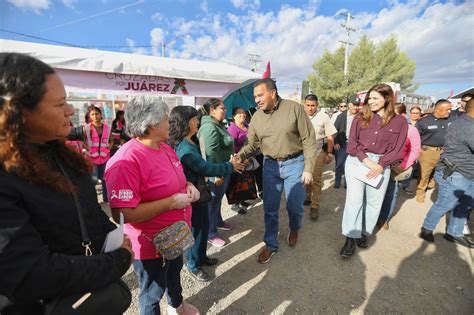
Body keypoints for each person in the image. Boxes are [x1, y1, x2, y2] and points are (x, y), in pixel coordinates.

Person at [0, 53, 133, 314]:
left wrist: (113, 235)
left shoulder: (58, 153)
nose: (71, 110)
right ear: (17, 113)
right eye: (60, 104)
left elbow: (87, 212)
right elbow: (30, 273)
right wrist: (117, 261)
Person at [105, 95, 200, 315]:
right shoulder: (125, 162)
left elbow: (175, 177)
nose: (170, 122)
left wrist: (187, 185)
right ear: (151, 124)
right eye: (166, 118)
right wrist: (171, 203)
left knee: (174, 274)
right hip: (151, 246)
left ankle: (176, 306)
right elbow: (123, 213)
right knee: (151, 293)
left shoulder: (164, 147)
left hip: (175, 236)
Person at [237, 78, 317, 264]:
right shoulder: (256, 117)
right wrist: (240, 156)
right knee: (270, 209)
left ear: (272, 93)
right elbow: (252, 145)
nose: (256, 99)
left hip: (295, 163)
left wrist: (308, 168)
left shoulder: (294, 109)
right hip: (270, 166)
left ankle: (294, 228)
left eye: (260, 95)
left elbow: (309, 139)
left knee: (294, 206)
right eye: (255, 96)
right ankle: (271, 244)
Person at [168, 106, 244, 282]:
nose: (197, 122)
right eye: (194, 120)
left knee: (203, 228)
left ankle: (201, 257)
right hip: (193, 195)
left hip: (199, 192)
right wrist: (229, 166)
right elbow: (205, 167)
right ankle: (193, 265)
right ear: (185, 123)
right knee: (195, 231)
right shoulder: (185, 148)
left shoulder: (190, 140)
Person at [340, 83, 408, 258]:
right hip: (357, 161)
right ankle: (350, 238)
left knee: (374, 203)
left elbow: (398, 149)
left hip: (381, 165)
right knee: (354, 202)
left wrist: (381, 164)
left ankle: (364, 232)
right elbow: (352, 143)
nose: (371, 101)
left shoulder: (400, 121)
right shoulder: (360, 117)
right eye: (369, 98)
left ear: (387, 99)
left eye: (375, 98)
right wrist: (367, 160)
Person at [419, 98, 474, 248]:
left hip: (469, 173)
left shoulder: (461, 122)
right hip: (457, 173)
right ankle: (427, 228)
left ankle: (454, 232)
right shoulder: (467, 126)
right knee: (444, 203)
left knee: (465, 204)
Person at [197, 98, 235, 247]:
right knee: (211, 203)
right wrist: (216, 174)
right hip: (217, 171)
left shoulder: (217, 124)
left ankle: (217, 222)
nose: (225, 111)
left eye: (225, 108)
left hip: (224, 169)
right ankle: (210, 233)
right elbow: (210, 153)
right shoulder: (209, 127)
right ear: (212, 110)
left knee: (217, 200)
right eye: (222, 108)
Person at [377, 103, 421, 229]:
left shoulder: (411, 130)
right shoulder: (382, 126)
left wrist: (404, 165)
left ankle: (384, 218)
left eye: (394, 115)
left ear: (403, 115)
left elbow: (415, 150)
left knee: (391, 193)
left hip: (397, 167)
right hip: (379, 165)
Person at [303, 94, 337, 221]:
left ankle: (314, 206)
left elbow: (330, 137)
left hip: (318, 152)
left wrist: (329, 153)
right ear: (304, 104)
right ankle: (308, 197)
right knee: (306, 178)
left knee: (316, 180)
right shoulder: (300, 115)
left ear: (317, 105)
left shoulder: (324, 117)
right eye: (308, 105)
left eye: (313, 105)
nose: (310, 108)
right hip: (302, 153)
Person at [414, 99, 455, 203]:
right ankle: (420, 192)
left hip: (445, 152)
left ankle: (433, 187)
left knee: (442, 174)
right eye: (448, 109)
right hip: (427, 152)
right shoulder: (423, 122)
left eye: (450, 109)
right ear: (438, 109)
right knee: (424, 174)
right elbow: (415, 138)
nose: (450, 111)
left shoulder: (452, 119)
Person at [84, 105, 113, 202]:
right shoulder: (86, 128)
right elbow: (82, 141)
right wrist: (87, 149)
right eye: (92, 114)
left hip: (105, 157)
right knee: (93, 179)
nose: (95, 116)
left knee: (106, 178)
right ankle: (94, 200)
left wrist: (109, 148)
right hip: (91, 158)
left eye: (97, 114)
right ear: (89, 116)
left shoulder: (107, 128)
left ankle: (106, 197)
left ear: (101, 115)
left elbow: (111, 140)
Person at [227, 106, 252, 214]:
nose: (243, 115)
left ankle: (242, 200)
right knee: (235, 181)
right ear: (234, 116)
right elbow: (230, 147)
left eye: (243, 113)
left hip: (246, 158)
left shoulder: (247, 126)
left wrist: (248, 157)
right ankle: (234, 204)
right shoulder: (232, 128)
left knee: (244, 180)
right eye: (239, 113)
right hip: (237, 159)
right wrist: (238, 159)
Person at [333, 100, 359, 189]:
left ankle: (347, 183)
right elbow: (334, 130)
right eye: (354, 105)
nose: (356, 107)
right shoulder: (341, 116)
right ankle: (337, 181)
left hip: (354, 145)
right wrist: (335, 142)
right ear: (349, 105)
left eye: (357, 105)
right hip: (343, 144)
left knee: (351, 165)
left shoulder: (360, 117)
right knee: (340, 164)